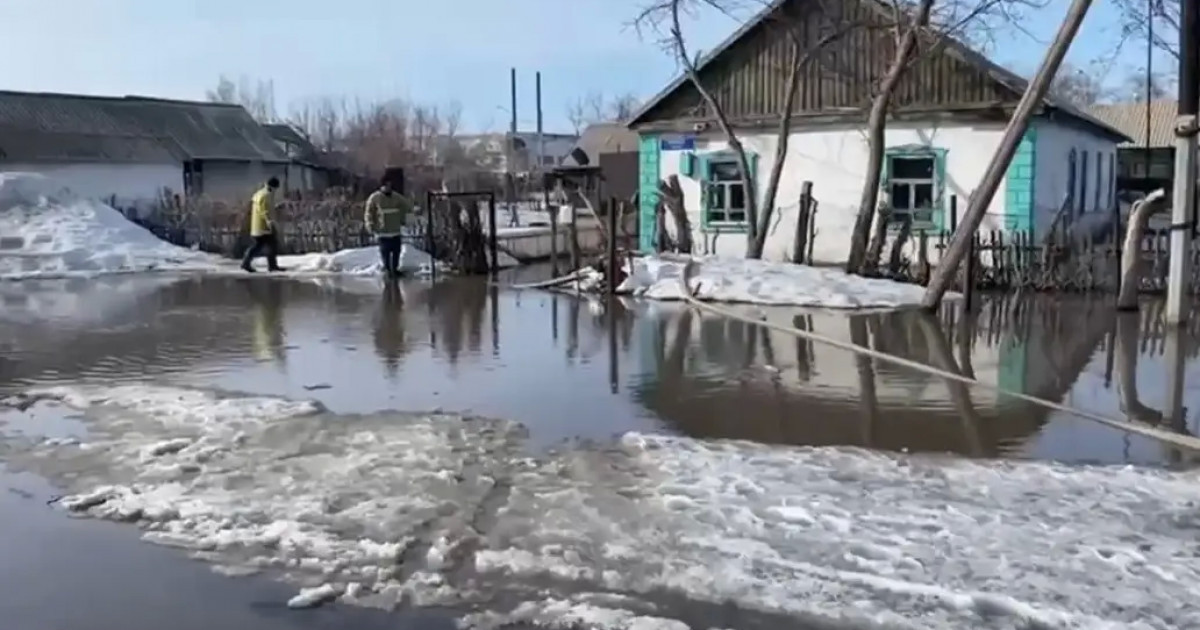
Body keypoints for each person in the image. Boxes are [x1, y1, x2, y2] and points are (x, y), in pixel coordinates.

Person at [363, 178, 413, 278]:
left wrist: (404, 220)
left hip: (395, 230)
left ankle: (394, 269)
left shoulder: (397, 197)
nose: (388, 188)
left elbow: (407, 207)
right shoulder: (375, 198)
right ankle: (387, 270)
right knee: (385, 252)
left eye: (390, 186)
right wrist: (370, 225)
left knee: (396, 251)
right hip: (383, 231)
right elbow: (369, 213)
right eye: (386, 185)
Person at [241, 177, 285, 273]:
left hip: (257, 225)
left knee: (260, 245)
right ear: (273, 187)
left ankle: (246, 262)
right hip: (263, 226)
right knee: (271, 244)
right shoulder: (266, 195)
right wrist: (269, 221)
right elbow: (264, 209)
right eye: (276, 188)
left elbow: (261, 207)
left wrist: (276, 207)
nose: (276, 191)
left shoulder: (259, 193)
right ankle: (272, 266)